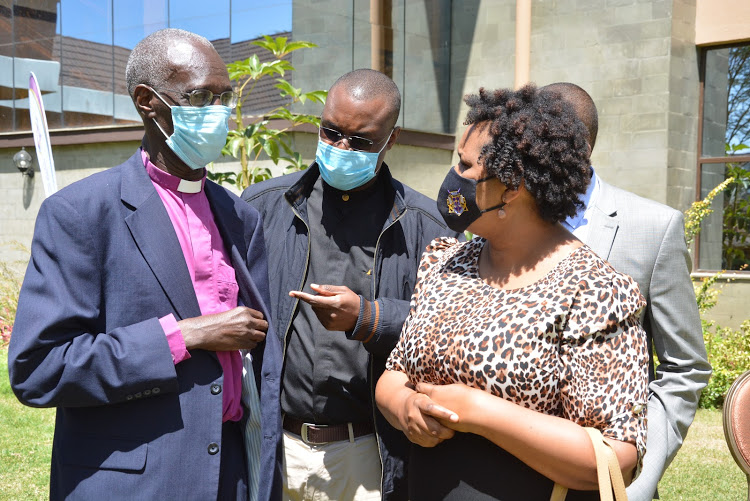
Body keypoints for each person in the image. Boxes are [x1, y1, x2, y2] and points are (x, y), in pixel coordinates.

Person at [8, 28, 282, 501]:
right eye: (199, 97)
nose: (217, 112)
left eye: (224, 97)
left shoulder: (241, 217)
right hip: (134, 483)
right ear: (147, 102)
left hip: (234, 475)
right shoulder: (82, 213)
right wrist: (186, 334)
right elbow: (40, 368)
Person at [375, 84, 650, 500]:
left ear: (511, 187)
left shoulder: (596, 291)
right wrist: (403, 407)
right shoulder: (445, 260)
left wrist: (479, 411)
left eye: (467, 168)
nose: (454, 179)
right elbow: (396, 373)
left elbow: (615, 455)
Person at [241, 68, 459, 501]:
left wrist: (369, 317)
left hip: (367, 453)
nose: (341, 148)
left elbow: (449, 335)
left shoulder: (427, 226)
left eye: (360, 141)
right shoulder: (263, 207)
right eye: (331, 132)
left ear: (390, 140)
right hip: (274, 446)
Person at [542, 82, 712, 501]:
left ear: (579, 147)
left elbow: (684, 368)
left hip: (609, 480)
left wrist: (638, 470)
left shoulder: (654, 228)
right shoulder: (502, 219)